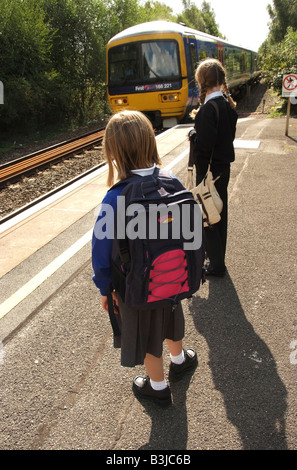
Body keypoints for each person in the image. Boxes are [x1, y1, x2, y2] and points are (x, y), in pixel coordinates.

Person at [92, 110, 197, 407]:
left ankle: (158, 386)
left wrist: (105, 287)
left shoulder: (115, 198)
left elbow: (101, 251)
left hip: (135, 287)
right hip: (173, 277)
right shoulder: (171, 181)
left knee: (149, 335)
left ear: (114, 152)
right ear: (150, 142)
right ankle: (180, 360)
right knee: (171, 318)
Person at [189, 58, 238, 277]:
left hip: (209, 172)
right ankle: (218, 257)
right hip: (223, 168)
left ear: (202, 82)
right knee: (220, 212)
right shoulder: (228, 106)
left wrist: (193, 137)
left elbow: (204, 147)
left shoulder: (208, 110)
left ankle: (217, 265)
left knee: (209, 214)